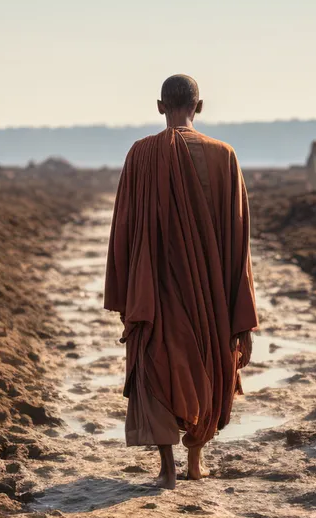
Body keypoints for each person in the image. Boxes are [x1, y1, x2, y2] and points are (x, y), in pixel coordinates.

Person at [105, 74, 258, 489]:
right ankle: (195, 461)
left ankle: (166, 468)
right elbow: (237, 243)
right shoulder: (224, 156)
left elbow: (124, 227)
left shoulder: (139, 155)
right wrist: (241, 317)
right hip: (207, 292)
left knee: (158, 363)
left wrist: (125, 293)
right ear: (200, 106)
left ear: (159, 107)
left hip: (154, 289)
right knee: (206, 362)